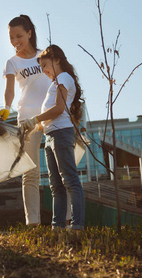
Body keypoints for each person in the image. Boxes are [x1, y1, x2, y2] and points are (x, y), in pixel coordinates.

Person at [0, 15, 51, 226]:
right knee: (30, 172)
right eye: (11, 37)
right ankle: (33, 223)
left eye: (19, 36)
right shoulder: (12, 62)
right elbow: (9, 90)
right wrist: (7, 109)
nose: (15, 41)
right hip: (27, 119)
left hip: (52, 115)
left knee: (62, 169)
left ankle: (67, 220)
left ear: (29, 33)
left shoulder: (46, 55)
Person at [22, 44, 86, 230]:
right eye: (41, 67)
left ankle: (77, 226)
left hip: (60, 134)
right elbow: (52, 115)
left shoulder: (63, 78)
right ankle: (57, 227)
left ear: (57, 60)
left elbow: (59, 109)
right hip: (50, 136)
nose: (43, 71)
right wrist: (34, 128)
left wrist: (35, 119)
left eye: (44, 66)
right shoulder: (56, 82)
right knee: (56, 186)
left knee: (70, 181)